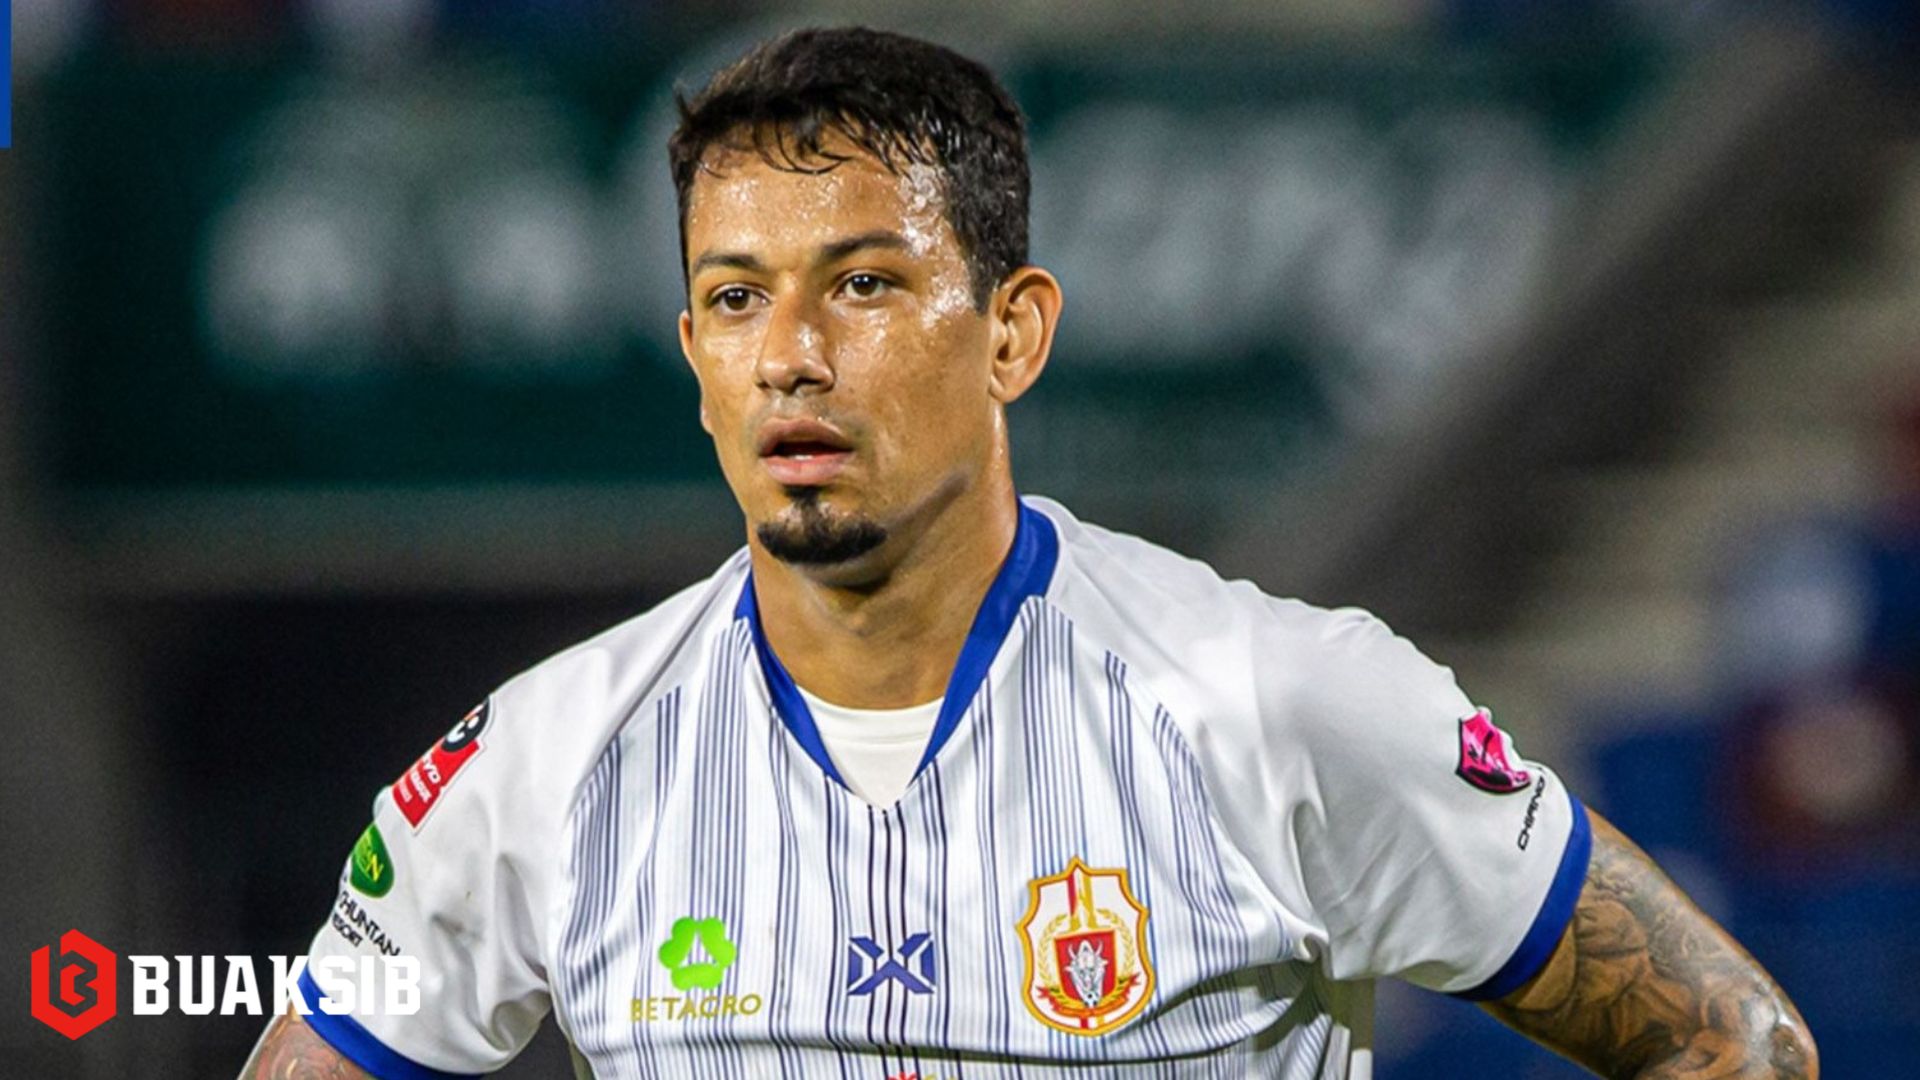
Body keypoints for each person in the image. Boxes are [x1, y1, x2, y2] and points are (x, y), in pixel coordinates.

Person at [242, 26, 1817, 1079]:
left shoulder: (1279, 704)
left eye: (863, 285)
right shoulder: (542, 765)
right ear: (694, 356)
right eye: (734, 298)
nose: (790, 354)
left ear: (1012, 333)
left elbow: (1732, 1042)